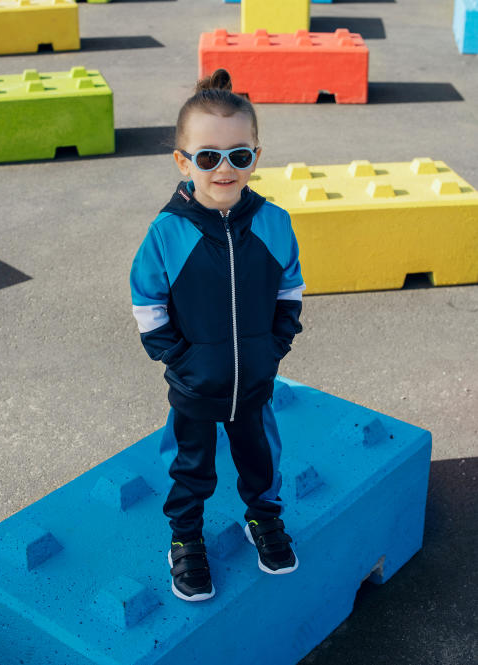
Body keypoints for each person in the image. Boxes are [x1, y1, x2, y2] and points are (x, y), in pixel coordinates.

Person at [130, 69, 305, 602]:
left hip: (254, 380)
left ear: (256, 156)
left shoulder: (274, 222)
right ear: (183, 161)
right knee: (190, 467)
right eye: (208, 157)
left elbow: (290, 288)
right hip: (195, 384)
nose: (224, 168)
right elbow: (146, 300)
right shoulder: (168, 231)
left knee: (261, 459)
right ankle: (186, 538)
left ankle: (264, 518)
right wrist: (179, 359)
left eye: (239, 155)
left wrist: (275, 346)